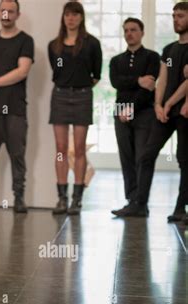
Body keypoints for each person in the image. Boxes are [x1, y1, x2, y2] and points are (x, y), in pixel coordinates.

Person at [113, 2, 188, 222]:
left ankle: (180, 208)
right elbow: (163, 79)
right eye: (174, 15)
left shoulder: (154, 55)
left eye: (181, 16)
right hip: (163, 112)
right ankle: (138, 203)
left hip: (182, 111)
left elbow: (186, 82)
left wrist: (168, 103)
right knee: (146, 156)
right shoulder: (169, 50)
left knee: (184, 159)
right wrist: (158, 104)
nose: (176, 19)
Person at [0, 0, 34, 214]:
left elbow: (22, 71)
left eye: (11, 11)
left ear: (17, 15)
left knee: (17, 155)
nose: (7, 14)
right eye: (3, 10)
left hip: (15, 108)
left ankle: (19, 198)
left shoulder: (25, 41)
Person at [48, 1, 102, 215]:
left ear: (81, 17)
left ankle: (76, 200)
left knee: (79, 148)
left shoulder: (92, 43)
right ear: (63, 17)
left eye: (75, 14)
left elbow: (96, 75)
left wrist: (79, 87)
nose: (71, 18)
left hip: (82, 96)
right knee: (61, 149)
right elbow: (56, 70)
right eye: (67, 14)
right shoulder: (54, 45)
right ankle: (62, 198)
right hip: (60, 95)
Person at [109, 18, 160, 215]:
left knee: (142, 158)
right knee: (126, 158)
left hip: (144, 113)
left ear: (142, 32)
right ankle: (131, 200)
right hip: (120, 113)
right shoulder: (116, 61)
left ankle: (141, 202)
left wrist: (131, 106)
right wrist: (138, 80)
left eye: (134, 30)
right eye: (126, 30)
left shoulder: (152, 57)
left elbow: (149, 88)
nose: (129, 33)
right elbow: (116, 82)